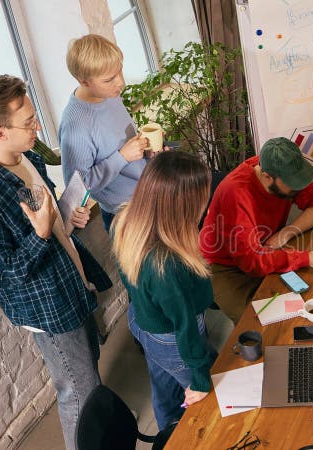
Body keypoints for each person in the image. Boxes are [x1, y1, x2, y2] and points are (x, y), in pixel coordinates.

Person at [0, 75, 112, 450]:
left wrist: (64, 218)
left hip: (71, 283)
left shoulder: (26, 156)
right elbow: (4, 278)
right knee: (79, 391)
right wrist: (41, 235)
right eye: (27, 123)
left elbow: (48, 217)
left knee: (90, 373)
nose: (37, 127)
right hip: (48, 308)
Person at [112, 151, 216, 430]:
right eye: (203, 197)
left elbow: (129, 279)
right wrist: (202, 381)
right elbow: (185, 328)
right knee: (207, 402)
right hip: (173, 339)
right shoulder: (167, 265)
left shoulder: (126, 221)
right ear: (182, 205)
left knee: (164, 391)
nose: (206, 203)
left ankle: (166, 434)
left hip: (143, 321)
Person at [199, 137, 313, 323]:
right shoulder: (235, 194)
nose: (299, 186)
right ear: (267, 177)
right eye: (293, 183)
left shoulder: (284, 167)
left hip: (268, 246)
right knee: (257, 322)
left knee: (306, 299)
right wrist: (307, 257)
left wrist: (287, 232)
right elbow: (251, 261)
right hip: (225, 266)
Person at [59, 34, 150, 232]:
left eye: (120, 72)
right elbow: (78, 188)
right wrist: (122, 157)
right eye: (109, 79)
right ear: (84, 81)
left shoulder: (109, 94)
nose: (121, 83)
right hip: (125, 215)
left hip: (149, 195)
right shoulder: (76, 126)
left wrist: (147, 150)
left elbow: (120, 141)